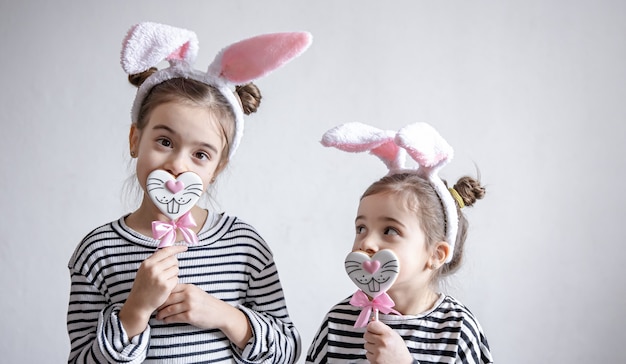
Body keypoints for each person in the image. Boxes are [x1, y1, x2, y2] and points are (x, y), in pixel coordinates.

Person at [66, 22, 311, 363]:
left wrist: (226, 316)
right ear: (135, 139)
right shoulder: (97, 251)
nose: (178, 165)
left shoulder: (244, 244)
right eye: (165, 142)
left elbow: (288, 352)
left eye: (200, 155)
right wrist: (135, 310)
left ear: (216, 169)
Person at [306, 122, 493, 363]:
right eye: (361, 228)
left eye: (390, 230)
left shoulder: (457, 330)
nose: (367, 242)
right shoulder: (338, 322)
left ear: (436, 255)